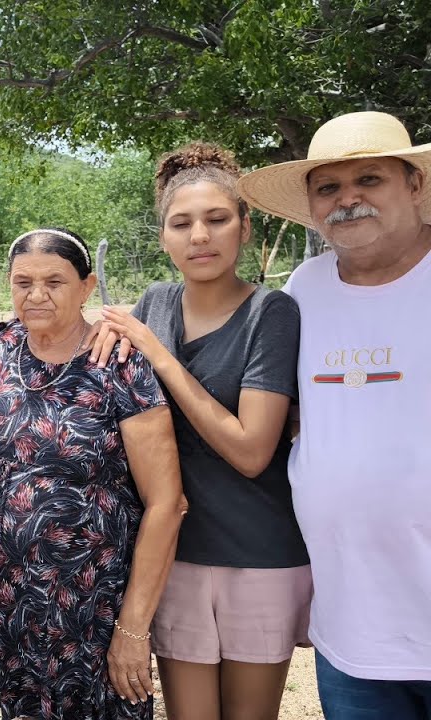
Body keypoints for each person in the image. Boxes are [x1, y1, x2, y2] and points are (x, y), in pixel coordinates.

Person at [101, 143, 310, 720]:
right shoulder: (155, 304)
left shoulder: (271, 313)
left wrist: (160, 357)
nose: (200, 236)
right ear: (163, 236)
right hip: (176, 554)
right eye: (181, 223)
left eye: (217, 219)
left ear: (245, 227)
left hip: (258, 551)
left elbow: (250, 449)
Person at [237, 111, 431, 719]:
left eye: (369, 180)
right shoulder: (305, 287)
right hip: (352, 630)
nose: (348, 199)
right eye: (329, 187)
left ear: (416, 186)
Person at [0, 228, 185, 719]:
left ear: (87, 287)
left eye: (55, 281)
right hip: (7, 607)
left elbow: (167, 502)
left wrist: (133, 627)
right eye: (23, 282)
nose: (37, 294)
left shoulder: (119, 363)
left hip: (94, 609)